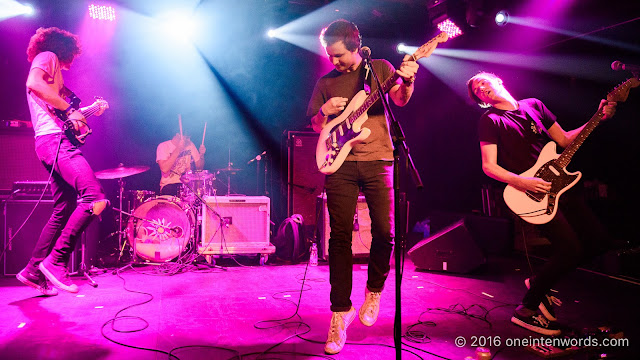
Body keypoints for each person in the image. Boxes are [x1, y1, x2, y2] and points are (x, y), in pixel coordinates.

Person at [467, 72, 616, 335]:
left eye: (483, 82)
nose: (481, 88)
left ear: (498, 80)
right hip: (531, 194)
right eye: (477, 90)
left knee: (599, 242)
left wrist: (597, 119)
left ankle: (538, 281)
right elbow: (489, 166)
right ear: (480, 101)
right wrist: (523, 183)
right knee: (570, 250)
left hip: (560, 186)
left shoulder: (534, 105)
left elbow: (564, 141)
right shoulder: (490, 120)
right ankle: (527, 310)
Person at [306, 19, 419, 354]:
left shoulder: (380, 68)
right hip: (340, 164)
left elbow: (400, 100)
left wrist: (408, 82)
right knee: (339, 236)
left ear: (356, 45)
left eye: (338, 55)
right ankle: (340, 312)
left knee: (385, 232)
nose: (334, 61)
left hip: (379, 159)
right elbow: (315, 124)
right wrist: (324, 112)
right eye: (330, 56)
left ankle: (374, 290)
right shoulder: (325, 82)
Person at [17, 27, 109, 295]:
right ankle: (55, 262)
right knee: (95, 198)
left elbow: (57, 110)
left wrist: (84, 112)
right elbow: (33, 84)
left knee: (64, 207)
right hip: (55, 142)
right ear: (64, 48)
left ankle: (33, 270)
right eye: (73, 54)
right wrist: (70, 110)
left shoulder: (53, 73)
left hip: (47, 142)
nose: (74, 61)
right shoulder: (48, 56)